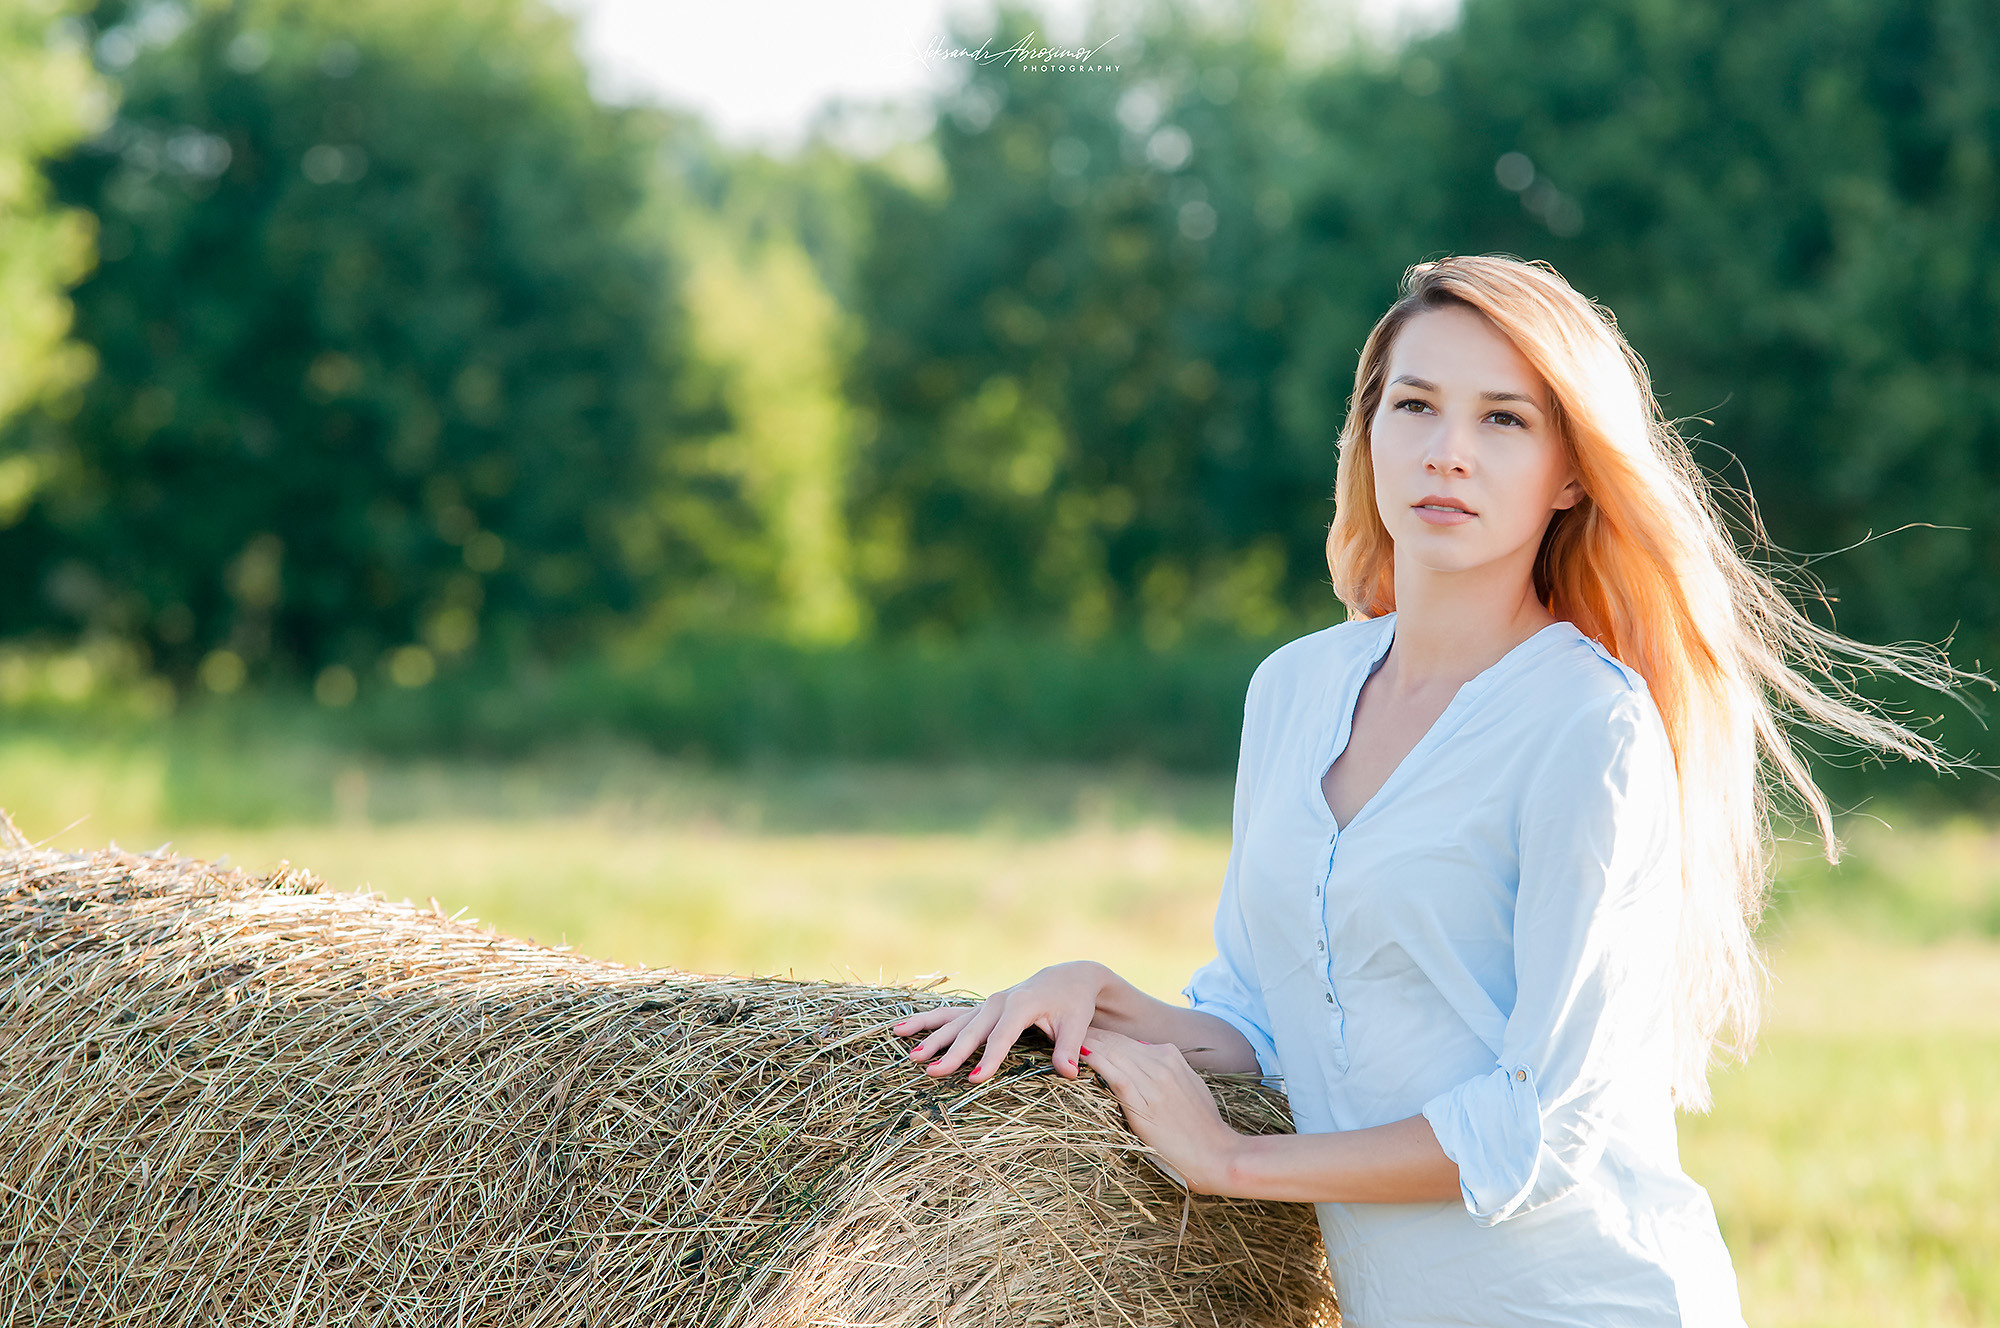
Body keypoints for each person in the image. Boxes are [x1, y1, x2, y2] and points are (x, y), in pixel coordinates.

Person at [892, 255, 1978, 1326]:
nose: (1447, 452)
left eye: (1502, 419)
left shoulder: (1584, 727)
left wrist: (1226, 1159)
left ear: (1568, 473)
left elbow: (1542, 1124)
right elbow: (1276, 1022)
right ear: (1367, 435)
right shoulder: (1291, 689)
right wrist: (1101, 997)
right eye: (1414, 405)